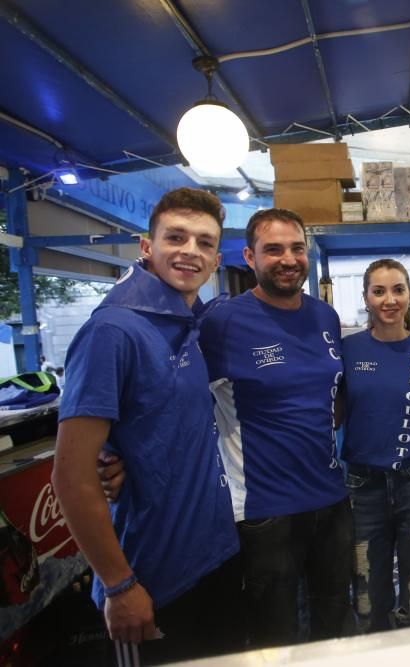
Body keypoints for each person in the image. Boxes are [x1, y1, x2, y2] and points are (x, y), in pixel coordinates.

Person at [51, 188, 242, 664]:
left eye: (203, 242)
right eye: (175, 237)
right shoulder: (112, 332)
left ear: (216, 258)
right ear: (146, 246)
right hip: (152, 577)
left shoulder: (187, 325)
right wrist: (119, 584)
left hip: (213, 557)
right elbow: (71, 475)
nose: (189, 251)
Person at [200, 208, 354, 646]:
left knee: (335, 629)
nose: (288, 259)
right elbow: (177, 395)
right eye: (273, 249)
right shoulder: (222, 322)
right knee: (276, 639)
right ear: (249, 257)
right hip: (266, 512)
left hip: (331, 499)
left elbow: (333, 392)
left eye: (296, 248)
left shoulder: (325, 316)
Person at [339, 259, 410, 633]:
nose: (389, 300)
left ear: (409, 295)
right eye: (379, 291)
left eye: (398, 290)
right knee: (368, 598)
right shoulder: (347, 350)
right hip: (362, 487)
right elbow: (333, 415)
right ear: (366, 297)